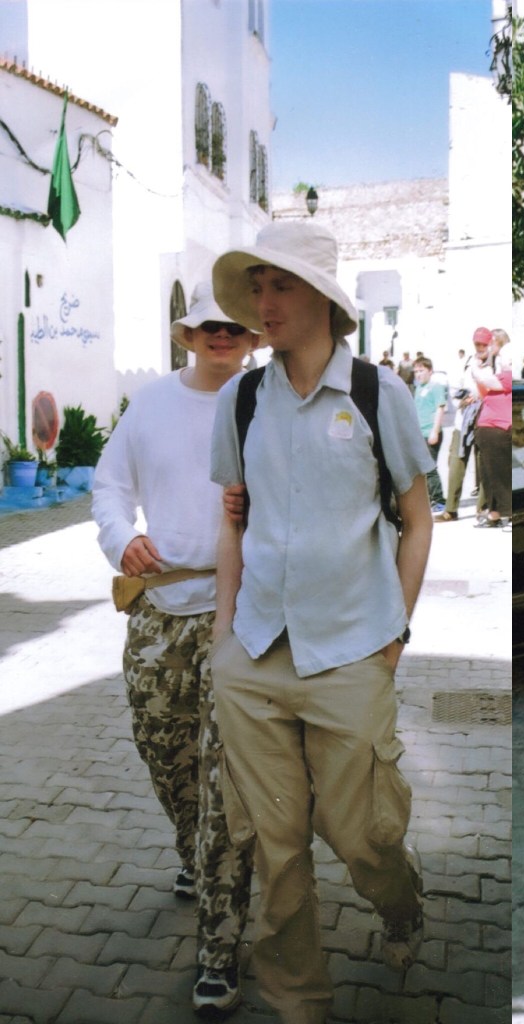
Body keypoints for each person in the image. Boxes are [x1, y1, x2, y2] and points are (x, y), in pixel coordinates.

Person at [207, 220, 435, 1024]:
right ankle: (301, 1003)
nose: (264, 304)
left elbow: (418, 518)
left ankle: (401, 902)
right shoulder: (241, 400)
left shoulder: (379, 395)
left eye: (282, 286)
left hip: (350, 653)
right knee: (278, 848)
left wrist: (393, 636)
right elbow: (231, 520)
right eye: (258, 287)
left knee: (363, 834)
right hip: (256, 652)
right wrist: (222, 641)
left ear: (324, 301)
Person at [92, 281, 256, 1018]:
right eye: (208, 329)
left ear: (252, 338)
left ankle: (219, 950)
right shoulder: (151, 405)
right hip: (159, 615)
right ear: (187, 337)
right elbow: (106, 487)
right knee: (166, 755)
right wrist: (121, 538)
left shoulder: (269, 405)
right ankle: (192, 852)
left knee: (229, 792)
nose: (221, 339)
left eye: (235, 328)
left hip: (244, 619)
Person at [435, 331, 485, 523]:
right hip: (462, 421)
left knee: (484, 465)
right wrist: (464, 399)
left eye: (483, 344)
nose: (480, 348)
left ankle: (483, 508)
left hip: (484, 419)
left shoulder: (495, 364)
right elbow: (455, 390)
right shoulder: (465, 363)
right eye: (477, 344)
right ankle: (451, 509)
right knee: (456, 463)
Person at [472, 328, 513, 529]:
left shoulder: (506, 373)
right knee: (488, 474)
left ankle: (507, 513)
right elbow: (482, 391)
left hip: (499, 425)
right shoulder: (495, 368)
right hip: (487, 424)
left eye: (490, 344)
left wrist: (478, 366)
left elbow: (484, 380)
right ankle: (495, 513)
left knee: (500, 474)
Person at [412, 355, 448, 513]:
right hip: (419, 433)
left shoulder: (436, 387)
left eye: (421, 371)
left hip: (431, 432)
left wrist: (435, 431)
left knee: (430, 468)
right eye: (416, 371)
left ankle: (439, 500)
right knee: (420, 468)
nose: (418, 374)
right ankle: (427, 499)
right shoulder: (418, 389)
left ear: (430, 371)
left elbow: (440, 409)